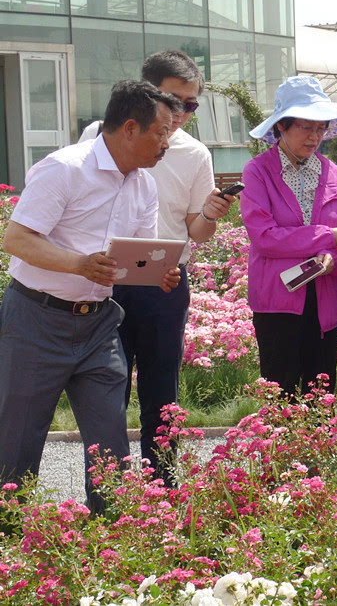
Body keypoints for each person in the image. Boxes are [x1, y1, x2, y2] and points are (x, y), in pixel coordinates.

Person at [0, 80, 182, 511]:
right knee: (17, 443)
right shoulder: (63, 168)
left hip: (99, 325)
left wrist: (157, 275)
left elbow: (136, 259)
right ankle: (9, 545)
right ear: (131, 128)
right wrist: (78, 263)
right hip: (35, 320)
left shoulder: (144, 185)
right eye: (161, 134)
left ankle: (111, 537)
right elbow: (17, 239)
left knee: (110, 444)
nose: (166, 145)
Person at [80, 50, 234, 486]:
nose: (183, 113)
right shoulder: (99, 134)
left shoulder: (194, 153)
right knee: (106, 388)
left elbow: (197, 232)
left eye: (192, 104)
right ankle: (108, 488)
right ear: (146, 90)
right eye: (176, 100)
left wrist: (210, 213)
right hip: (104, 276)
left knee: (161, 389)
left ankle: (162, 486)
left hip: (164, 281)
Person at [241, 76, 337, 397]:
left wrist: (334, 258)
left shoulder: (333, 172)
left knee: (321, 394)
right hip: (277, 301)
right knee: (279, 393)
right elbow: (264, 237)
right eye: (306, 128)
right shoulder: (258, 172)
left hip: (327, 301)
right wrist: (327, 237)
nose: (315, 137)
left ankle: (318, 450)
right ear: (281, 126)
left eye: (320, 128)